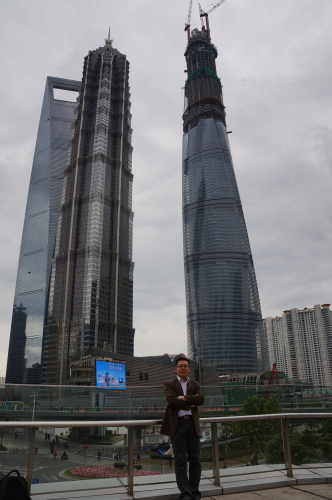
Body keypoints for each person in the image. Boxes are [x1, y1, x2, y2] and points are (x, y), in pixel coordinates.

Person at [160, 354, 204, 500]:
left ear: (189, 369)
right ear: (175, 369)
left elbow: (201, 399)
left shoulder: (195, 384)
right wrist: (190, 402)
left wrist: (183, 398)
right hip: (177, 425)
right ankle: (185, 494)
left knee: (195, 460)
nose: (183, 368)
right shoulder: (169, 384)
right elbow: (171, 402)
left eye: (185, 366)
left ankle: (195, 492)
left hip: (193, 424)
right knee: (180, 461)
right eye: (180, 366)